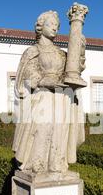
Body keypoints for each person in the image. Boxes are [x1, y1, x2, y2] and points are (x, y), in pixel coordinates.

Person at [12, 10, 86, 174]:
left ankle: (56, 162)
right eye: (50, 24)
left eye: (57, 25)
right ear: (40, 27)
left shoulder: (61, 54)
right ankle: (36, 162)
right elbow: (28, 74)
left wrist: (80, 51)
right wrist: (44, 80)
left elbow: (74, 70)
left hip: (61, 97)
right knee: (41, 128)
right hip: (42, 96)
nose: (54, 28)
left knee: (60, 130)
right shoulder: (32, 51)